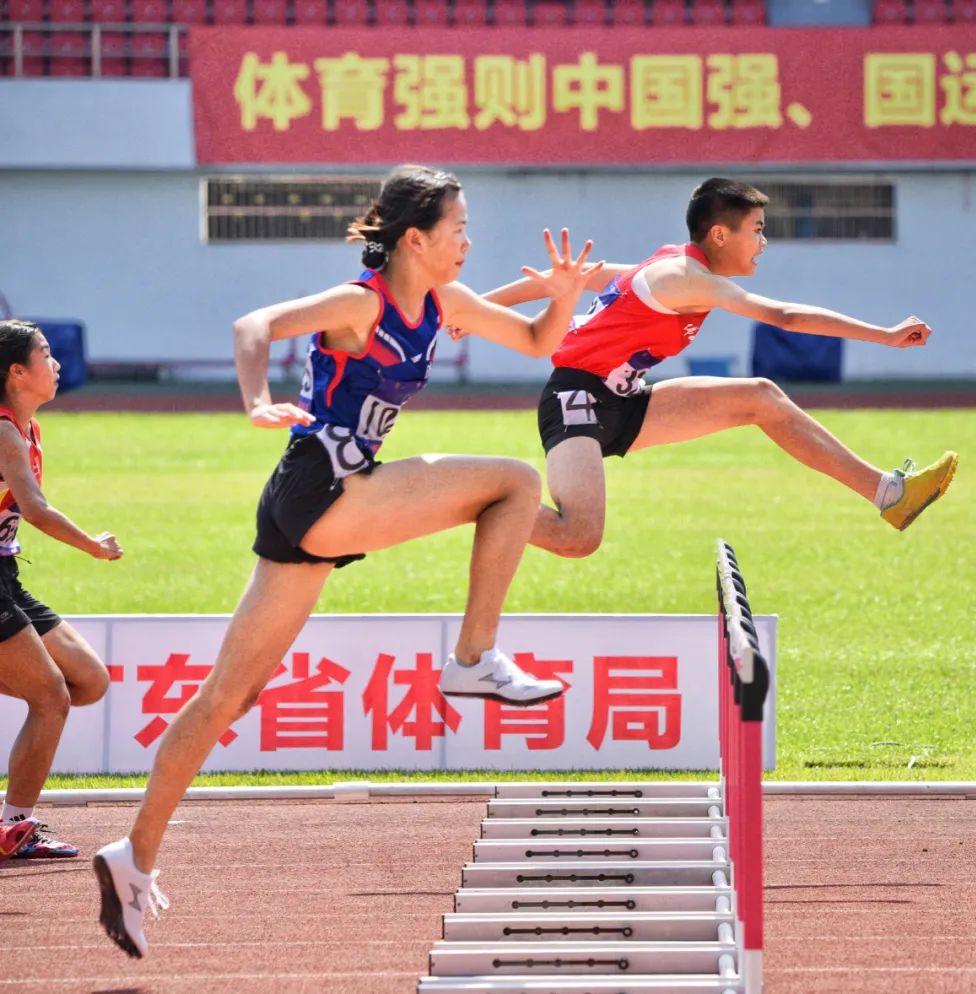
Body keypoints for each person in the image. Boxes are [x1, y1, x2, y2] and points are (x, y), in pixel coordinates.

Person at [94, 164, 601, 959]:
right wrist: (256, 400)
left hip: (312, 502)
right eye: (459, 228)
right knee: (513, 482)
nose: (469, 242)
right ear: (415, 239)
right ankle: (473, 658)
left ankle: (133, 856)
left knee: (230, 694)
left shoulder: (446, 304)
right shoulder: (360, 303)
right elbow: (254, 325)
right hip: (322, 488)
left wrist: (564, 295)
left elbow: (541, 341)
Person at [474, 178, 957, 557]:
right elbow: (785, 317)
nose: (764, 242)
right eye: (758, 230)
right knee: (578, 536)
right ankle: (479, 501)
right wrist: (884, 334)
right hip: (575, 397)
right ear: (720, 234)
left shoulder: (671, 266)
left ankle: (889, 494)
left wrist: (477, 308)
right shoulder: (689, 278)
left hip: (627, 400)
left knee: (760, 397)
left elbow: (576, 277)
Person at [0, 320, 123, 859]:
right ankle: (14, 825)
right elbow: (34, 509)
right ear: (16, 372)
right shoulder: (4, 431)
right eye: (45, 354)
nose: (56, 364)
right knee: (50, 697)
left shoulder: (28, 428)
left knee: (88, 680)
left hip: (6, 574)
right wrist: (92, 546)